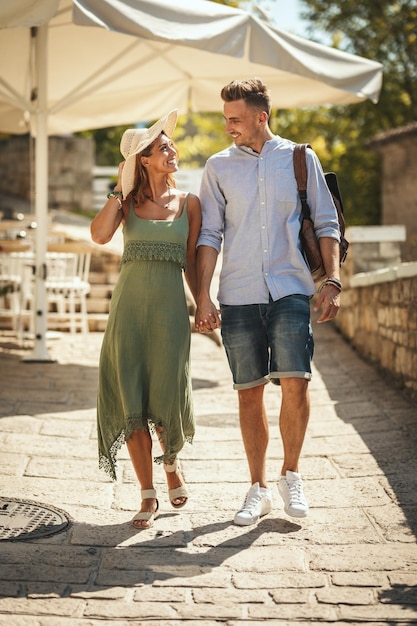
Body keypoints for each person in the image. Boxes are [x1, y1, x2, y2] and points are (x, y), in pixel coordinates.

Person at [195, 78, 341, 526]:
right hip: (238, 294)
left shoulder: (300, 158)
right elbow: (208, 234)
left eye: (236, 119)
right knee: (248, 392)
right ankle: (257, 489)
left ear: (262, 116)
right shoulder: (217, 167)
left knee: (296, 381)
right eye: (226, 119)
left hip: (291, 286)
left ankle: (290, 474)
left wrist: (332, 279)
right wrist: (201, 294)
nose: (228, 127)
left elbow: (325, 219)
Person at [91, 110, 201, 529]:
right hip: (129, 313)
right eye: (162, 147)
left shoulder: (190, 203)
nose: (172, 150)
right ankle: (147, 494)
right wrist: (119, 191)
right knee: (131, 402)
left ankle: (171, 463)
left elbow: (191, 262)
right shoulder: (128, 205)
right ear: (144, 160)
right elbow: (99, 236)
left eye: (170, 145)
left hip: (171, 314)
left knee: (165, 397)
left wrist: (204, 303)